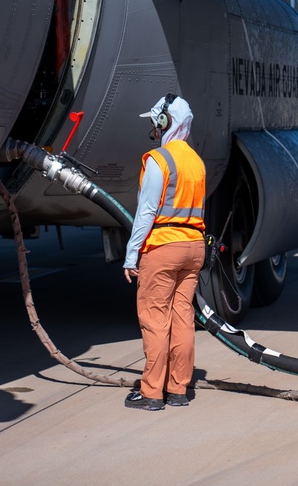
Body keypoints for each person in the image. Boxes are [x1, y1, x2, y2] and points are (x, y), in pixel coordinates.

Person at [122, 93, 207, 411]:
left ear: (163, 121)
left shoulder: (159, 160)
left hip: (163, 247)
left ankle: (151, 393)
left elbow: (146, 213)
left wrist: (131, 256)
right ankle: (178, 390)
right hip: (194, 247)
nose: (153, 129)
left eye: (155, 121)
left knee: (155, 319)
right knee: (183, 317)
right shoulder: (196, 162)